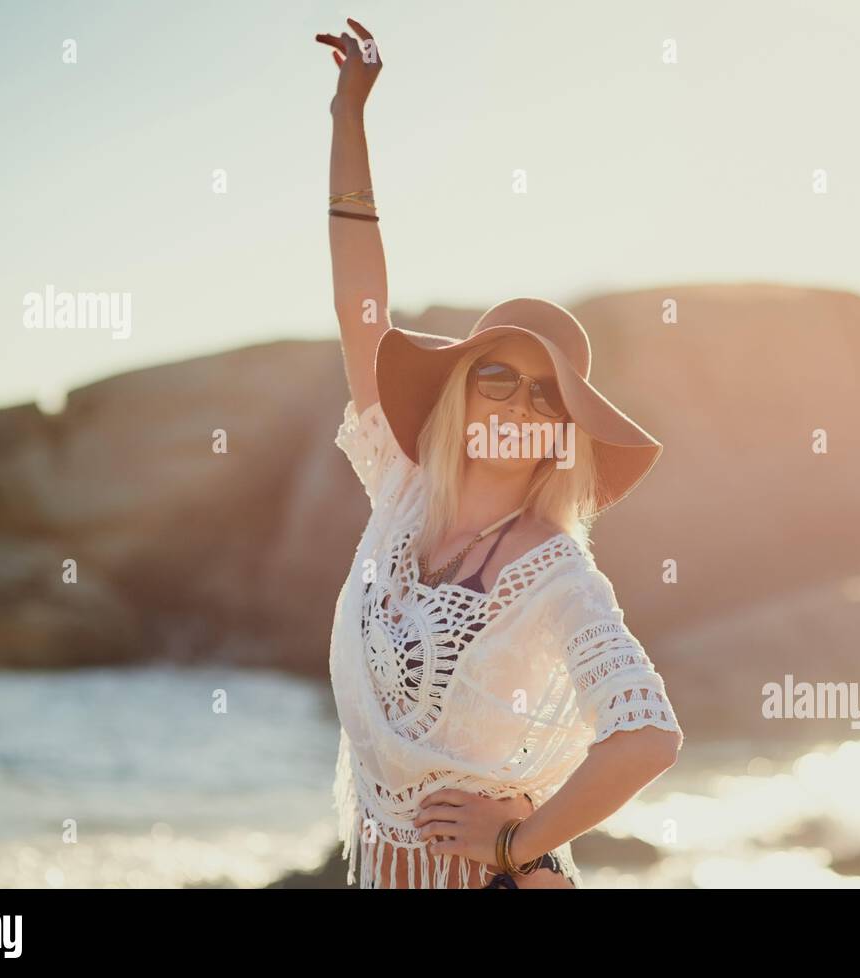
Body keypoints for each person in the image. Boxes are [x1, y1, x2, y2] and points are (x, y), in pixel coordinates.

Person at [317, 18, 684, 889]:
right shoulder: (401, 492)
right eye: (496, 376)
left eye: (544, 392)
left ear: (563, 431)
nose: (518, 401)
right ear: (458, 393)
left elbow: (648, 737)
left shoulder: (555, 577)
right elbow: (361, 307)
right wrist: (348, 120)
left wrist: (520, 843)